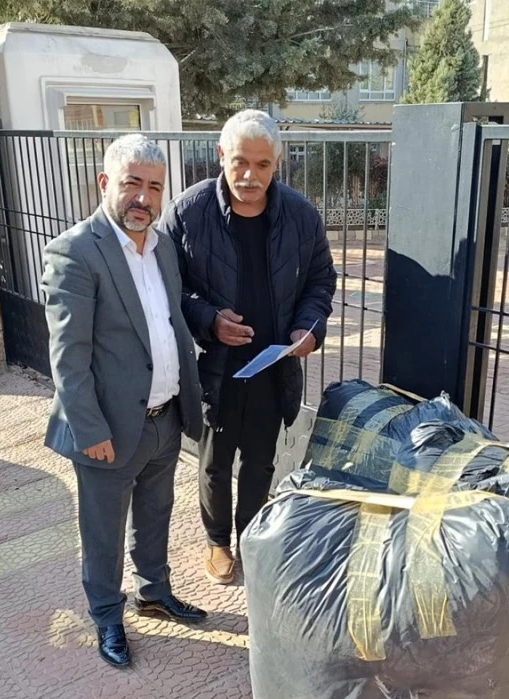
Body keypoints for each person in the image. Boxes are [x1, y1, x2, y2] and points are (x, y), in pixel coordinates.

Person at [42, 134, 208, 669]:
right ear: (105, 183)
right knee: (103, 531)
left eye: (155, 187)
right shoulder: (76, 252)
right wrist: (89, 431)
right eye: (133, 183)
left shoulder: (162, 248)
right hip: (108, 430)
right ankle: (107, 616)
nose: (144, 197)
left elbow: (169, 323)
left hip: (163, 418)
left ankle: (154, 592)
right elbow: (69, 358)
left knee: (156, 513)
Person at [158, 110, 336, 585]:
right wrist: (209, 320)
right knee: (215, 464)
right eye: (240, 161)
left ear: (277, 163)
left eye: (262, 164)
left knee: (260, 463)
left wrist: (308, 329)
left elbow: (320, 281)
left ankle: (251, 539)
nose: (249, 176)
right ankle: (217, 541)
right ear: (221, 156)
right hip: (213, 368)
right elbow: (167, 287)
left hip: (273, 367)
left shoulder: (300, 216)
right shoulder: (188, 212)